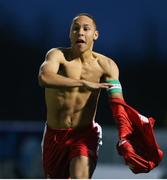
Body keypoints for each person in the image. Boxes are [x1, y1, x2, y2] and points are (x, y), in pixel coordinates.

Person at [38, 13, 123, 179]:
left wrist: (127, 134)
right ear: (69, 34)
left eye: (86, 28)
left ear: (95, 35)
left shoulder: (107, 65)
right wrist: (83, 83)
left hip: (84, 134)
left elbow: (118, 103)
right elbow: (44, 78)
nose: (80, 33)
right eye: (75, 29)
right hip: (55, 135)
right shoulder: (57, 55)